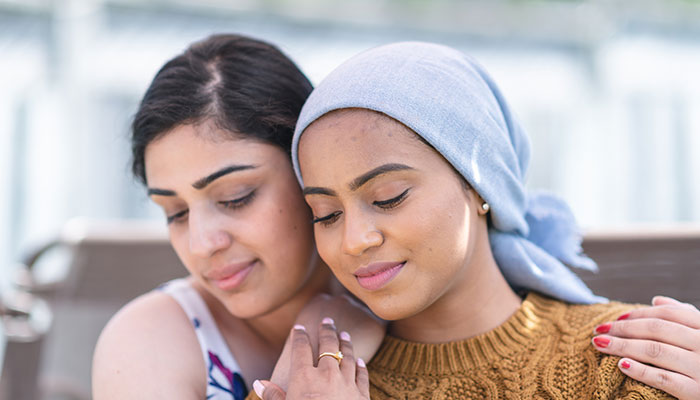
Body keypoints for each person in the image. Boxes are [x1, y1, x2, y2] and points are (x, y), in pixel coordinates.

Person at [92, 34, 699, 400]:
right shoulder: (324, 373)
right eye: (324, 211)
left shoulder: (630, 357)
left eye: (386, 198)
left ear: (478, 180)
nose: (355, 238)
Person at [92, 34, 385, 400]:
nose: (201, 245)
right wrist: (301, 373)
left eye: (236, 198)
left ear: (309, 171)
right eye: (176, 213)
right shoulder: (148, 341)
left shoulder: (406, 291)